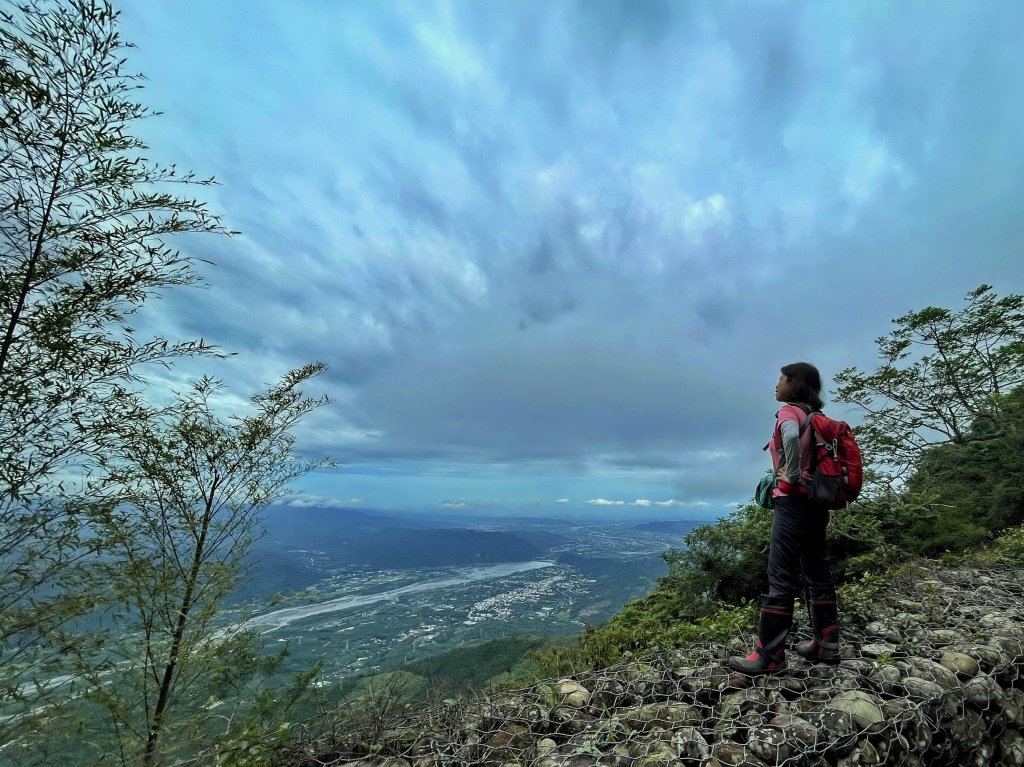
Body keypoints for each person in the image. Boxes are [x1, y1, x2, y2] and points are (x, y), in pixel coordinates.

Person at [727, 362, 841, 674]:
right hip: (816, 503)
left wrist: (790, 474)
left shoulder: (790, 412)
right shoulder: (816, 417)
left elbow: (789, 437)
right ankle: (826, 644)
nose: (776, 385)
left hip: (792, 502)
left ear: (795, 383)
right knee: (818, 572)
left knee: (781, 577)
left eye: (781, 379)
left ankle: (769, 656)